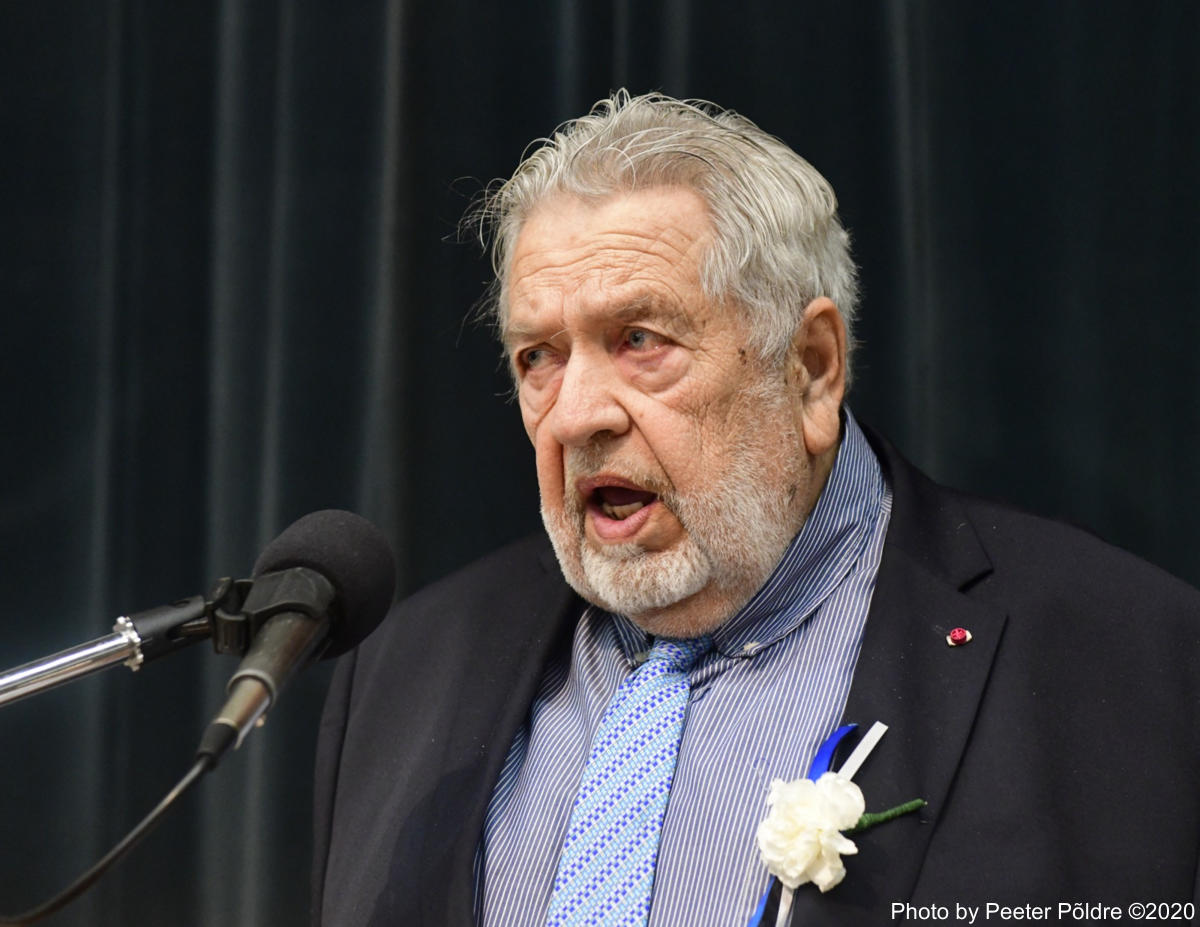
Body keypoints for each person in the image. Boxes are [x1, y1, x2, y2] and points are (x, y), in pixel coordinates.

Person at [311, 92, 1200, 926]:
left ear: (811, 368)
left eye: (640, 340)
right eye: (538, 356)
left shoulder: (1132, 660)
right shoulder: (400, 676)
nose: (576, 416)